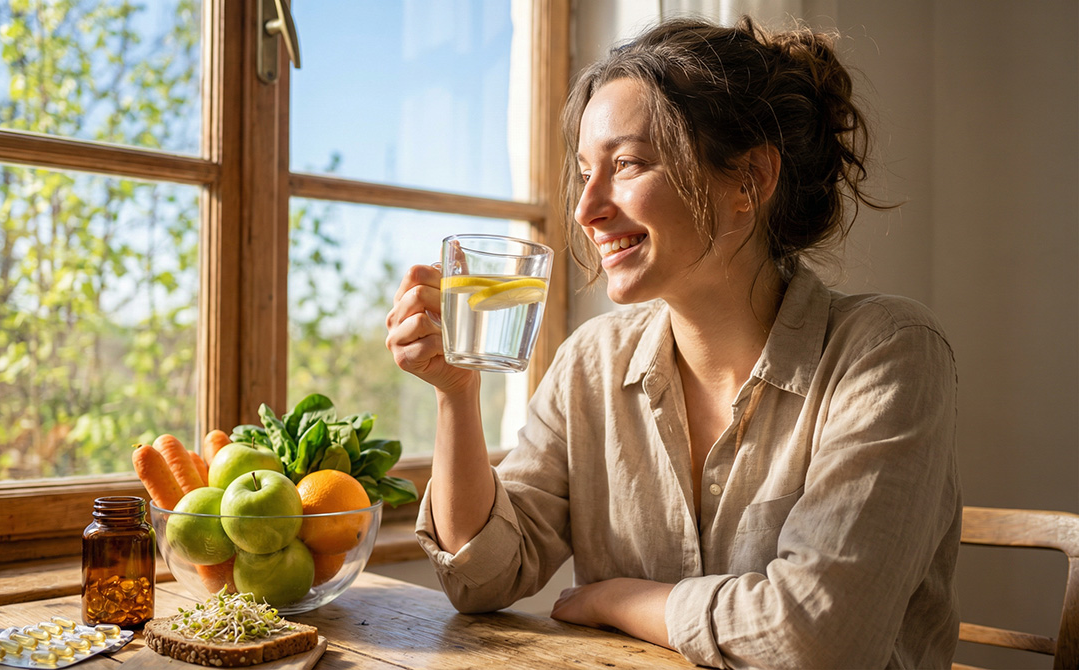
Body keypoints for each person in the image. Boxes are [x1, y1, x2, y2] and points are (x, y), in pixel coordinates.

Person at [384, 15, 960, 669]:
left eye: (626, 164)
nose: (586, 209)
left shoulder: (889, 353)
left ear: (750, 180)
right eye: (584, 172)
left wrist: (617, 600)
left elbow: (817, 639)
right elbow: (480, 579)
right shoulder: (591, 363)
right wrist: (456, 394)